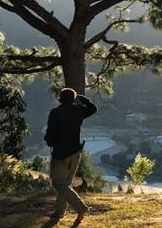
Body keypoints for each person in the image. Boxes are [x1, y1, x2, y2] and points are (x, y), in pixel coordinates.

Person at [44, 88, 97, 222]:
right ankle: (59, 212)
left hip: (61, 153)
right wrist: (83, 99)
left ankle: (80, 207)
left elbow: (51, 133)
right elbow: (93, 109)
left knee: (59, 184)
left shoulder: (56, 113)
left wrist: (49, 141)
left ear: (60, 99)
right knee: (66, 184)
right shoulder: (79, 110)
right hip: (76, 151)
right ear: (73, 99)